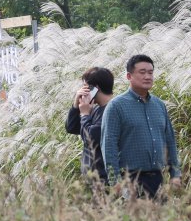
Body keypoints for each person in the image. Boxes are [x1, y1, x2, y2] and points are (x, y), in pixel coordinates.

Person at [101, 54, 181, 199]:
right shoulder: (116, 106)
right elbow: (109, 147)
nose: (147, 76)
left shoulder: (159, 105)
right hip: (129, 181)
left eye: (150, 72)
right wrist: (116, 183)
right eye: (142, 72)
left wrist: (175, 174)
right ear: (129, 76)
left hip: (157, 180)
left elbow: (170, 141)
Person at [64, 67, 114, 186]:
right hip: (94, 181)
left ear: (95, 88)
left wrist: (85, 114)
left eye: (85, 87)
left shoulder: (111, 111)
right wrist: (76, 105)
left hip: (104, 181)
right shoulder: (95, 109)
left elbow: (91, 139)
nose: (82, 90)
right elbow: (72, 128)